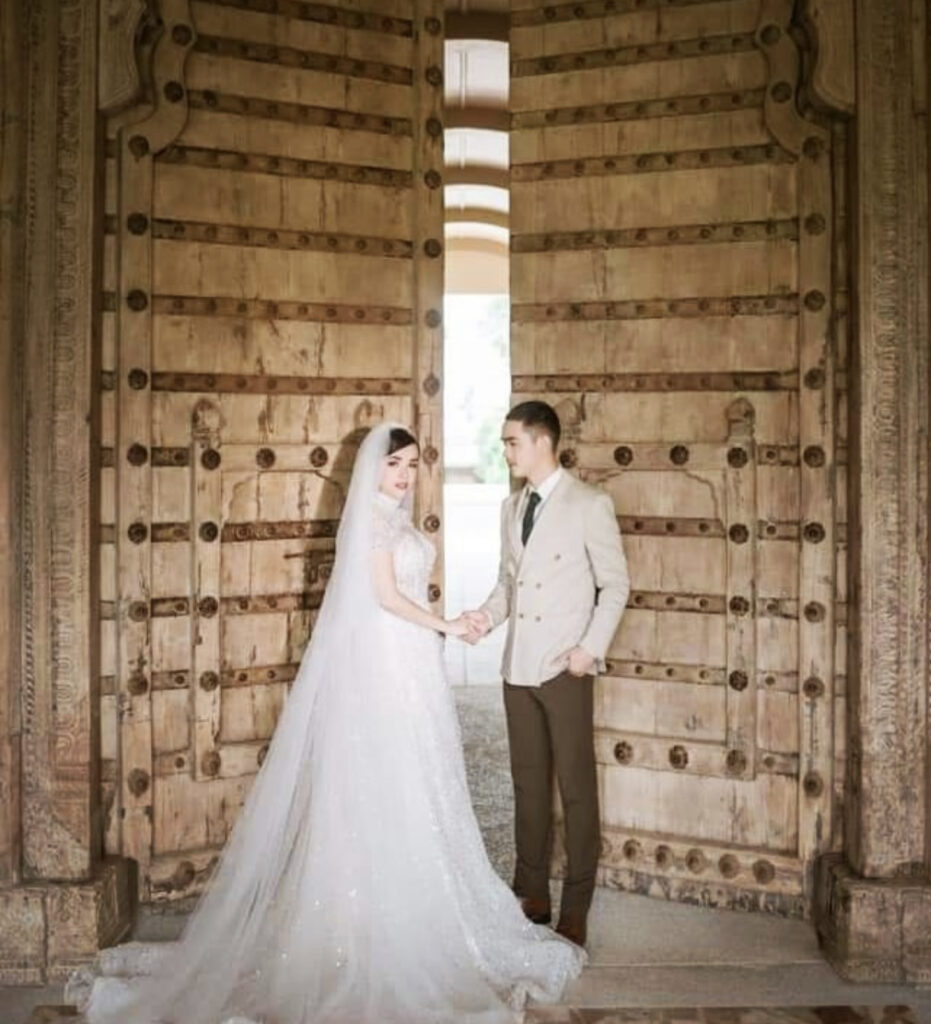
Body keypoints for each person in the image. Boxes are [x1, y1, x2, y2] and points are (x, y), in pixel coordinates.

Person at [67, 423, 584, 1024]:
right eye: (394, 464)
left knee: (421, 787)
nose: (404, 475)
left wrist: (451, 627)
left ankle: (420, 907)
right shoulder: (373, 521)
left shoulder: (395, 518)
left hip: (412, 667)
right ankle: (369, 925)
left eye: (411, 465)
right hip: (386, 666)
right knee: (384, 788)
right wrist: (447, 626)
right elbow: (385, 597)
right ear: (373, 468)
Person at [463, 401, 630, 950]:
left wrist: (589, 650)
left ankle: (576, 908)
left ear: (541, 442)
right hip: (518, 668)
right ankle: (531, 894)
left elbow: (616, 585)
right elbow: (508, 584)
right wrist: (485, 617)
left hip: (565, 669)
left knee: (576, 790)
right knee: (527, 786)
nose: (506, 452)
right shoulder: (511, 507)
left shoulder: (589, 504)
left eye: (512, 442)